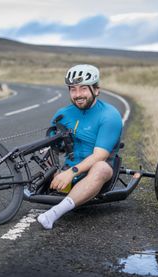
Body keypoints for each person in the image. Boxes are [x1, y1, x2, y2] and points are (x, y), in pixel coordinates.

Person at [37, 64, 123, 229]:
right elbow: (52, 148)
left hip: (96, 175)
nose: (78, 95)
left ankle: (53, 214)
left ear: (96, 89)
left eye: (83, 89)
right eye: (73, 89)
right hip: (67, 174)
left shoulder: (110, 115)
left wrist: (70, 173)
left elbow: (100, 156)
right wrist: (54, 169)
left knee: (101, 167)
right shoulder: (63, 114)